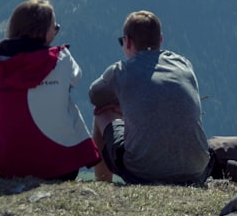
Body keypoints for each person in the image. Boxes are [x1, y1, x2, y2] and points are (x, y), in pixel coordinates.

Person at [0, 0, 100, 179]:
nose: (56, 33)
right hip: (61, 166)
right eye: (55, 28)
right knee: (63, 94)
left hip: (3, 167)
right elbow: (75, 79)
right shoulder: (63, 59)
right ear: (43, 32)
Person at [89, 10, 211, 185]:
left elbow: (95, 96)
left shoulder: (121, 71)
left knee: (100, 113)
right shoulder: (183, 64)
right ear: (160, 40)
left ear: (127, 41)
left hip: (142, 173)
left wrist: (123, 105)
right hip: (196, 170)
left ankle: (102, 183)